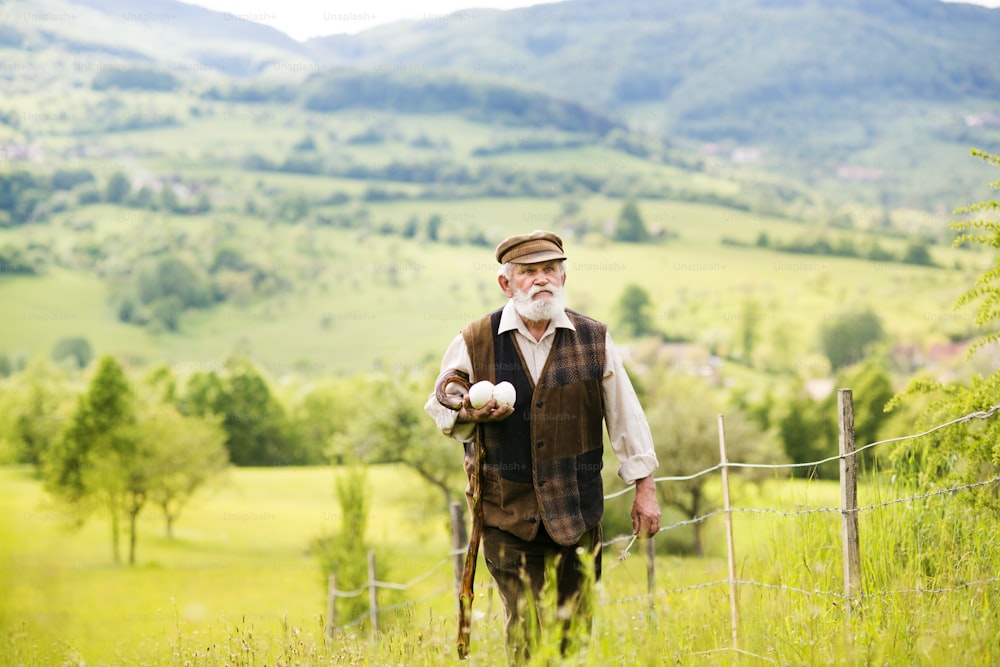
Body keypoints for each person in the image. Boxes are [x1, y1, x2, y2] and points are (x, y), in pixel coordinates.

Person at [424, 229, 661, 662]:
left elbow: (626, 416)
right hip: (507, 513)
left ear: (563, 275)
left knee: (575, 634)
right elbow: (441, 404)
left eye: (549, 269)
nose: (540, 280)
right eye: (528, 272)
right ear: (506, 283)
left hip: (578, 510)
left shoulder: (593, 338)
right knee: (530, 632)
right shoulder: (476, 339)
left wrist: (644, 487)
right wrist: (469, 411)